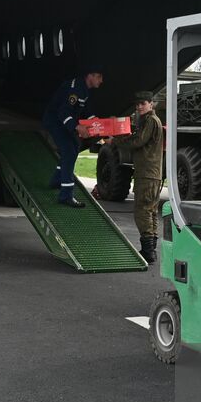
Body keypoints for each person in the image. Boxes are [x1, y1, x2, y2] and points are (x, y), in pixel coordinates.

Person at [105, 91, 163, 263]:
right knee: (150, 211)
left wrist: (114, 141)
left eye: (143, 104)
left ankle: (148, 251)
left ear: (151, 104)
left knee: (142, 211)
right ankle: (150, 249)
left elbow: (138, 141)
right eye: (137, 104)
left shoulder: (151, 121)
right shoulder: (150, 121)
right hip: (152, 173)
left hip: (147, 173)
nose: (139, 107)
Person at [42, 67, 103, 207]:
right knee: (68, 151)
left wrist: (97, 122)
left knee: (74, 147)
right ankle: (66, 195)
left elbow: (85, 110)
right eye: (99, 76)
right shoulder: (75, 89)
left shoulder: (84, 88)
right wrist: (77, 127)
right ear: (90, 76)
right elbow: (63, 112)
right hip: (55, 121)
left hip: (65, 121)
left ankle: (57, 180)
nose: (101, 80)